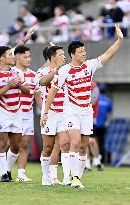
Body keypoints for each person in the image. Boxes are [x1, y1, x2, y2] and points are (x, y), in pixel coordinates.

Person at [41, 24, 124, 188]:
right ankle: (73, 177)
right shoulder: (64, 71)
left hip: (87, 112)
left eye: (84, 51)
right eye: (80, 52)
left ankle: (76, 178)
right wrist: (45, 112)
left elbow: (108, 54)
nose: (84, 53)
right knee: (75, 141)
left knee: (84, 145)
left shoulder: (90, 65)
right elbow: (52, 92)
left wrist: (119, 39)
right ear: (73, 54)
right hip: (71, 111)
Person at [0, 46, 30, 182]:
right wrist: (8, 86)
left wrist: (19, 85)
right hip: (1, 112)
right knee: (1, 143)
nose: (13, 56)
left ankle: (8, 170)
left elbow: (27, 91)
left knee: (16, 146)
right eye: (10, 54)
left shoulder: (17, 72)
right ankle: (4, 174)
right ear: (2, 58)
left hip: (16, 112)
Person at [39, 45, 69, 185]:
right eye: (61, 54)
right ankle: (46, 177)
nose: (64, 56)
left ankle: (67, 178)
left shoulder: (67, 70)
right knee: (48, 147)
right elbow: (43, 82)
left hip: (64, 113)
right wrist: (56, 70)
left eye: (64, 54)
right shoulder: (43, 71)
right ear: (52, 57)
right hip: (49, 113)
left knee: (65, 144)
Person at [14, 45, 41, 182]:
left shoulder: (34, 75)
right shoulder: (11, 72)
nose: (28, 59)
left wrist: (44, 112)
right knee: (10, 145)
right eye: (25, 56)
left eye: (29, 56)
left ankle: (21, 173)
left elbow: (37, 96)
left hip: (27, 113)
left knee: (24, 144)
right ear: (17, 57)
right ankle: (4, 171)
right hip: (12, 113)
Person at [85, 81, 104, 171]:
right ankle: (87, 163)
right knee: (84, 141)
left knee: (91, 140)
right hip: (80, 117)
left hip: (90, 117)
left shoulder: (93, 86)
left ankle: (96, 160)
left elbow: (92, 102)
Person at [96, 83, 113, 164]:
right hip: (103, 125)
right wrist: (107, 122)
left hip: (94, 124)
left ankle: (93, 160)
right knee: (101, 143)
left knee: (93, 142)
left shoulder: (96, 98)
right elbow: (109, 113)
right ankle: (101, 161)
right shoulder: (108, 100)